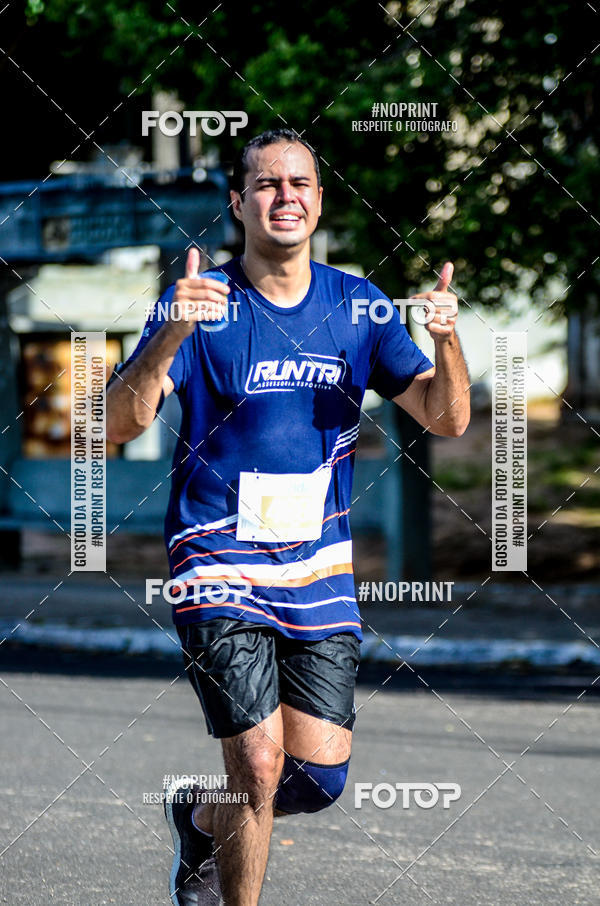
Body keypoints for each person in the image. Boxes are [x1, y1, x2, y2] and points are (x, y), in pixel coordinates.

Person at [106, 127, 470, 906]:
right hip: (216, 561)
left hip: (318, 569)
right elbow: (110, 425)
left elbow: (447, 419)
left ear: (319, 200)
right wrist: (170, 330)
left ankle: (201, 822)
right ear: (239, 203)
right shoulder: (203, 306)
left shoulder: (360, 307)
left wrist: (449, 340)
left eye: (299, 183)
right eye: (267, 185)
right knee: (260, 765)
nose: (285, 197)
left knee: (319, 778)